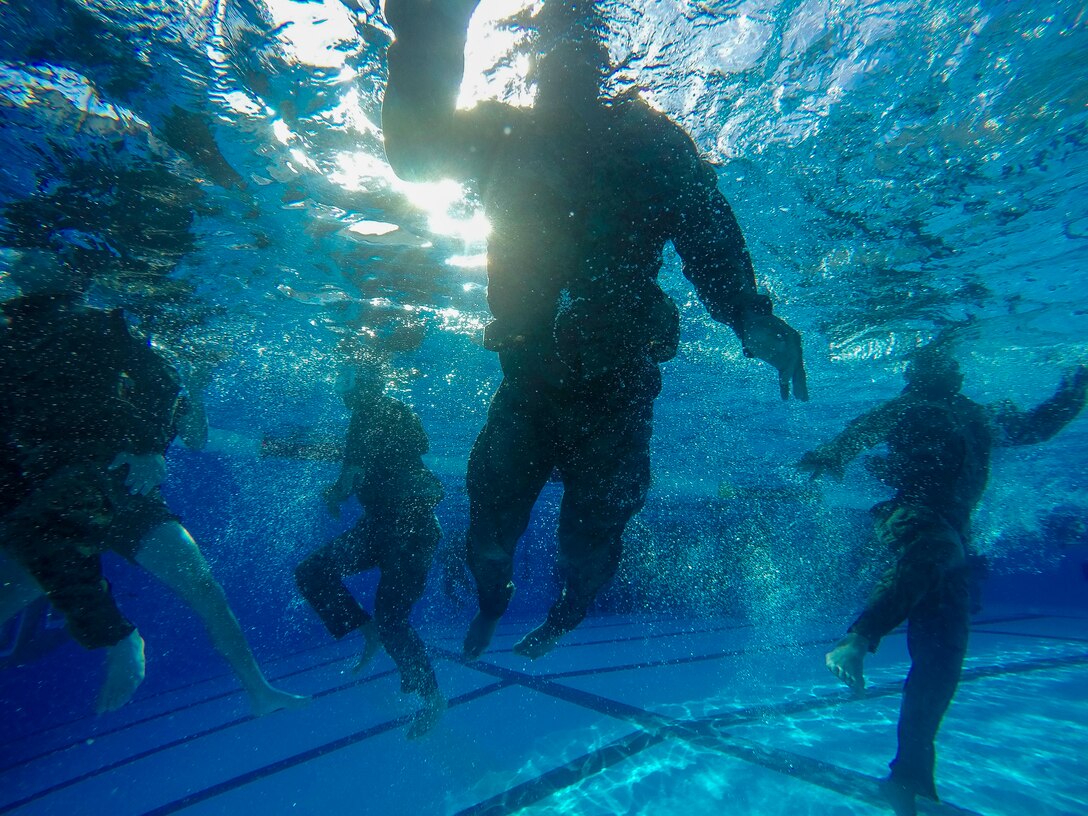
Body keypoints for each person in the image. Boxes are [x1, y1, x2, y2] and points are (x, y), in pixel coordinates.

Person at [380, 0, 808, 660]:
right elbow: (414, 154)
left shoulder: (648, 142)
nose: (564, 64)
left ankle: (566, 615)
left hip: (618, 388)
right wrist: (426, 33)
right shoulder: (504, 136)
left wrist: (749, 314)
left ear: (603, 60)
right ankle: (495, 602)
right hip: (529, 384)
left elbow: (708, 235)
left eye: (579, 48)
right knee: (488, 534)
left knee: (589, 539)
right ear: (531, 59)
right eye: (552, 48)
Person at [0, 250, 307, 715]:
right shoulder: (29, 346)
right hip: (54, 510)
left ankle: (259, 690)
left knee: (205, 590)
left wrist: (182, 408)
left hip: (121, 494)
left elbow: (195, 434)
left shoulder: (116, 348)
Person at [798, 344, 1088, 815]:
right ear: (916, 371)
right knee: (939, 548)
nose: (946, 367)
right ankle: (856, 638)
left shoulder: (978, 413)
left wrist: (1077, 384)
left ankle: (910, 774)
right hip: (909, 515)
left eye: (950, 361)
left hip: (952, 536)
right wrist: (828, 456)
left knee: (944, 656)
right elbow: (858, 433)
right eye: (935, 362)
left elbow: (1033, 427)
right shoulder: (905, 406)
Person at [294, 353, 446, 738]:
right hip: (388, 526)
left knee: (325, 579)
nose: (341, 389)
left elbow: (352, 475)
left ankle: (431, 698)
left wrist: (334, 494)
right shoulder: (397, 410)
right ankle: (370, 630)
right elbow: (413, 452)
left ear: (362, 384)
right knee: (319, 575)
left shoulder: (367, 413)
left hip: (407, 529)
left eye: (345, 380)